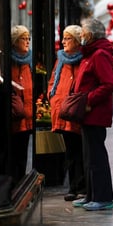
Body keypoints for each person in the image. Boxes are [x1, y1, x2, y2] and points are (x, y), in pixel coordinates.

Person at [71, 18, 113, 211]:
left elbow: (109, 84)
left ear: (90, 35)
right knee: (88, 157)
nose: (80, 35)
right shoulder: (89, 54)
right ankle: (91, 195)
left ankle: (103, 197)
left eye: (82, 32)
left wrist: (88, 100)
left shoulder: (99, 55)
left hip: (95, 114)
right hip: (86, 114)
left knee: (96, 157)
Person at [47, 25, 86, 201]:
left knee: (80, 150)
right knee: (71, 151)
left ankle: (81, 187)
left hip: (77, 112)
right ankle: (74, 187)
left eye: (67, 38)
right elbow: (53, 82)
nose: (63, 42)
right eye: (63, 38)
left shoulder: (84, 60)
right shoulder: (60, 60)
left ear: (77, 41)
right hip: (63, 112)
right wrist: (53, 98)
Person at [11, 25, 33, 187]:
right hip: (13, 115)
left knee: (22, 151)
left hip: (27, 115)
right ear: (14, 41)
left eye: (28, 39)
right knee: (13, 151)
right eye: (23, 39)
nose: (27, 42)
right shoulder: (8, 61)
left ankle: (20, 182)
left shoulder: (28, 62)